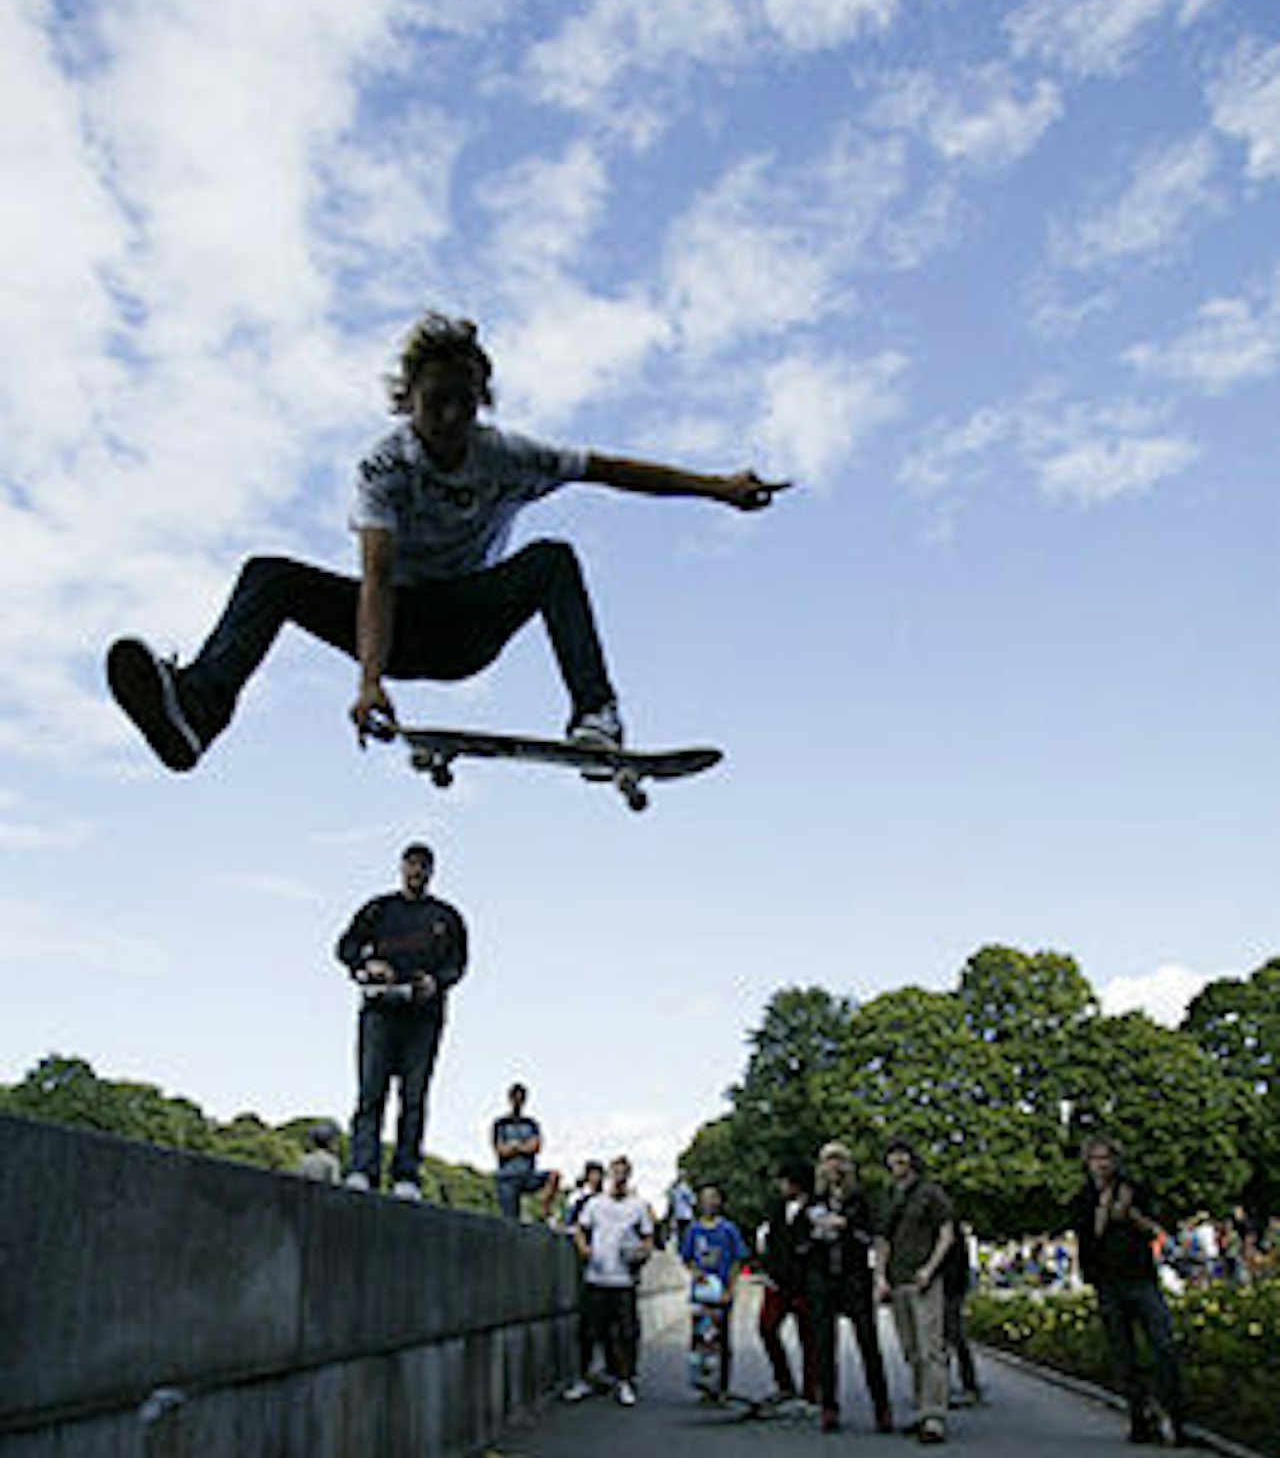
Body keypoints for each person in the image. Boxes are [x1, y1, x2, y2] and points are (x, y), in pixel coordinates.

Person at [105, 310, 789, 772]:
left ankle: (596, 713)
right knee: (269, 576)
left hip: (468, 627)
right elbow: (376, 577)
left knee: (552, 559)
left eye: (466, 401)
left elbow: (612, 471)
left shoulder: (509, 455)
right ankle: (199, 710)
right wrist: (370, 681)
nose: (452, 418)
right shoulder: (383, 467)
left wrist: (718, 487)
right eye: (437, 402)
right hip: (397, 628)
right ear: (408, 400)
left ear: (481, 399)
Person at [334, 843, 468, 1200]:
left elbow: (458, 965)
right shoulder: (379, 909)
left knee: (414, 1097)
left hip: (423, 1018)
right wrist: (367, 966)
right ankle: (362, 1168)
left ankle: (406, 1175)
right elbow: (345, 947)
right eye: (411, 865)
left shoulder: (447, 917)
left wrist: (435, 982)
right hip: (380, 1011)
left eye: (423, 866)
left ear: (431, 872)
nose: (416, 872)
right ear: (402, 868)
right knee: (370, 1092)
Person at [1068, 1136, 1185, 1445]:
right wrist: (1105, 1209)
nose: (1102, 1165)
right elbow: (1088, 1237)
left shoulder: (1134, 1190)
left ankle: (1174, 1416)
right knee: (1124, 1355)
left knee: (1163, 1345)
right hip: (1107, 1282)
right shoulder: (1083, 1198)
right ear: (1087, 1163)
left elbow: (1156, 1231)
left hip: (1141, 1277)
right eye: (1096, 1159)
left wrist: (1130, 1214)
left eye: (1107, 1158)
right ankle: (1139, 1419)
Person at [807, 1142, 892, 1435]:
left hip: (854, 1277)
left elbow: (873, 1236)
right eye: (828, 1160)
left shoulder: (860, 1199)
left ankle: (882, 1408)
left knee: (868, 1344)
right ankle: (828, 1408)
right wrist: (814, 1234)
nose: (833, 1166)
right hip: (822, 1278)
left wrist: (846, 1225)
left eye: (838, 1160)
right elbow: (800, 1240)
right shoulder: (814, 1200)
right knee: (824, 1347)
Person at [873, 1139, 954, 1444]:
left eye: (903, 1159)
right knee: (911, 1350)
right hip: (898, 1280)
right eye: (893, 1160)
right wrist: (880, 1277)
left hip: (924, 1280)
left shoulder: (930, 1193)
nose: (898, 1165)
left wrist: (930, 1269)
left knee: (931, 1349)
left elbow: (946, 1234)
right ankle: (922, 1410)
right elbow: (882, 1240)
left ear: (912, 1161)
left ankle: (934, 1415)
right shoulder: (889, 1196)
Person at [564, 1156, 653, 1407]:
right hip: (596, 1277)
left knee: (627, 1334)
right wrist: (584, 1249)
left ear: (629, 1176)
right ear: (610, 1176)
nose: (619, 1178)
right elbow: (579, 1229)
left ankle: (626, 1381)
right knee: (588, 1332)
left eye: (624, 1174)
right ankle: (583, 1379)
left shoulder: (639, 1206)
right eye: (616, 1173)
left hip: (624, 1280)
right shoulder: (595, 1204)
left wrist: (642, 1254)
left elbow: (648, 1237)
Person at [756, 1160, 820, 1406]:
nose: (781, 1186)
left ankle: (811, 1391)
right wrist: (768, 1271)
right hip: (778, 1282)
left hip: (805, 1284)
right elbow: (770, 1241)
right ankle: (784, 1383)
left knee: (809, 1339)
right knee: (766, 1327)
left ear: (796, 1183)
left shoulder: (816, 1208)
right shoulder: (777, 1208)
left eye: (784, 1181)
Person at [680, 1184, 748, 1400]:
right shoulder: (693, 1229)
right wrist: (695, 1272)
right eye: (704, 1198)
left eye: (713, 1198)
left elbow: (738, 1259)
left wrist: (730, 1288)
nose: (709, 1202)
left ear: (719, 1201)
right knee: (700, 1337)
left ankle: (722, 1386)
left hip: (722, 1291)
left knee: (721, 1338)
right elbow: (686, 1257)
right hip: (701, 1292)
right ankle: (703, 1385)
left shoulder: (728, 1229)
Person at [492, 1083, 561, 1223]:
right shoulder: (501, 1124)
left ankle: (544, 1212)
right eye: (515, 1098)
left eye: (521, 1098)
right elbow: (501, 1150)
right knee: (511, 1221)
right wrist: (524, 1147)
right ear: (510, 1099)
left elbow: (536, 1147)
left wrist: (514, 1146)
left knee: (553, 1176)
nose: (518, 1101)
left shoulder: (531, 1124)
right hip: (507, 1178)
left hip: (528, 1175)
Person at [943, 1217, 982, 1405]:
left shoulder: (951, 1229)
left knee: (954, 1336)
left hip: (950, 1287)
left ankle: (967, 1385)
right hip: (950, 1286)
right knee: (948, 1338)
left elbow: (959, 1261)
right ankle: (955, 1385)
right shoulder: (951, 1228)